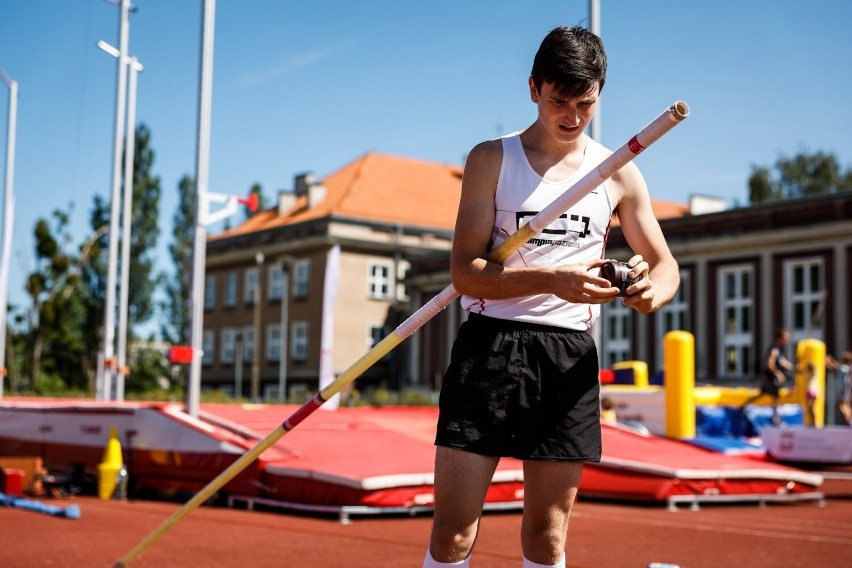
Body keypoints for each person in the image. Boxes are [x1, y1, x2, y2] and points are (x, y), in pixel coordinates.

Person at [424, 26, 680, 568]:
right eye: (557, 100)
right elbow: (465, 273)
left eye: (584, 103)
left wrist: (649, 294)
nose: (570, 115)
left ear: (599, 94)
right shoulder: (491, 159)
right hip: (489, 349)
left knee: (547, 537)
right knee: (452, 534)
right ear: (533, 88)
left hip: (568, 356)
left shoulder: (619, 173)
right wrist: (551, 279)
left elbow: (665, 265)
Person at [741, 328, 794, 426]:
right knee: (775, 397)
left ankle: (743, 406)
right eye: (786, 337)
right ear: (780, 338)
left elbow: (782, 361)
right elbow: (770, 363)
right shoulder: (774, 349)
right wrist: (778, 374)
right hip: (769, 377)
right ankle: (775, 419)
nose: (787, 340)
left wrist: (792, 367)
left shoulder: (778, 349)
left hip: (767, 376)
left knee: (762, 394)